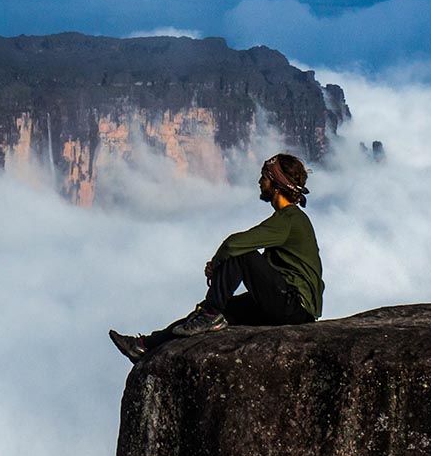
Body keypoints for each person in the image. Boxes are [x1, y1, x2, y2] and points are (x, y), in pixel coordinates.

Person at [109, 153, 323, 363]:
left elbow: (235, 244)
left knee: (242, 258)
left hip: (294, 306)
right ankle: (145, 346)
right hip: (289, 305)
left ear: (276, 185)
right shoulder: (290, 220)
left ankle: (209, 314)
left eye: (264, 177)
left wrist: (216, 263)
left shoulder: (289, 220)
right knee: (218, 310)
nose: (259, 182)